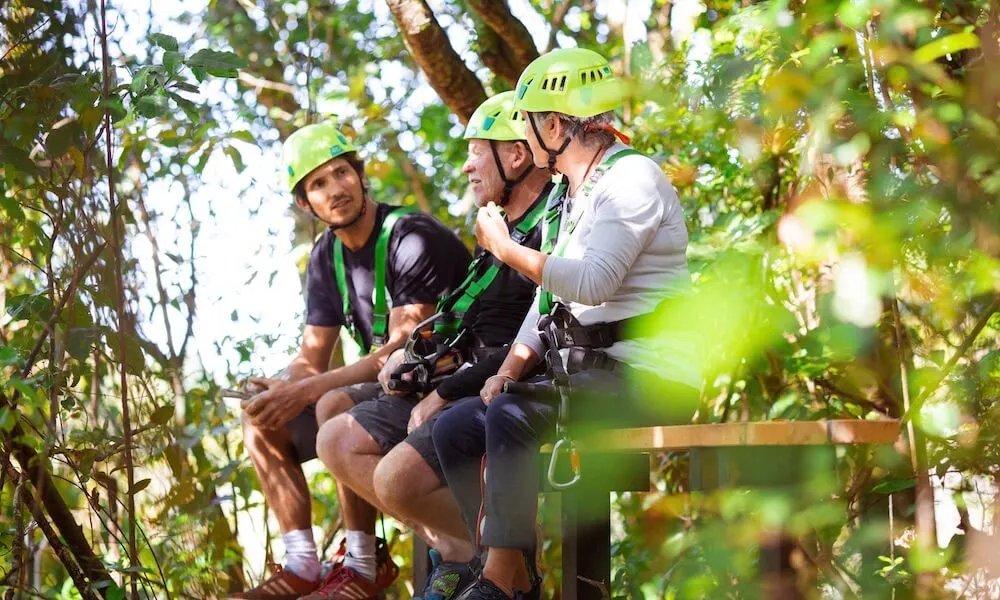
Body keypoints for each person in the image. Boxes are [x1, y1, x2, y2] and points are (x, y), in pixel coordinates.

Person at [432, 47, 702, 599]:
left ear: (554, 124)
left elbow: (594, 282)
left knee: (511, 414)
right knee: (456, 428)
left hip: (649, 379)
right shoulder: (569, 194)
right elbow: (549, 299)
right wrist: (507, 369)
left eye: (528, 127)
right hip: (584, 378)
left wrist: (507, 250)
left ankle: (501, 583)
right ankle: (514, 572)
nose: (526, 143)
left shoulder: (632, 181)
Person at [302, 92, 554, 600]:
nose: (465, 168)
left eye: (475, 152)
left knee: (394, 478)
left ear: (517, 157)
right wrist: (415, 358)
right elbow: (465, 318)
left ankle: (500, 567)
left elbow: (530, 336)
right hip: (464, 380)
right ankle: (470, 561)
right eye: (316, 183)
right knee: (334, 435)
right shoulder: (497, 227)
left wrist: (444, 389)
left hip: (496, 389)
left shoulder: (550, 228)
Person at [232, 121, 471, 599]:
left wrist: (309, 389)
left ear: (360, 177)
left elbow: (403, 348)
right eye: (318, 184)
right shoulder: (325, 257)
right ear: (305, 203)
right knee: (261, 420)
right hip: (389, 385)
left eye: (341, 173)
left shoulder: (411, 236)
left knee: (331, 405)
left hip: (442, 380)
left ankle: (363, 565)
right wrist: (284, 386)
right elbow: (312, 356)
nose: (335, 189)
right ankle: (302, 564)